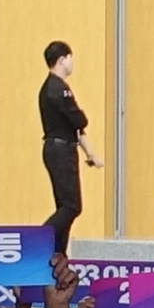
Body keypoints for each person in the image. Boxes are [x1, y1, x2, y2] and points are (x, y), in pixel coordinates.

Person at [40, 40, 91, 252]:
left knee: (65, 208)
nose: (73, 63)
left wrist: (90, 152)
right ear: (62, 60)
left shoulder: (50, 87)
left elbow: (76, 128)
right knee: (72, 206)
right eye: (71, 58)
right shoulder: (58, 89)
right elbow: (78, 120)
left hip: (58, 148)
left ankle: (58, 256)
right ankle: (36, 244)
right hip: (61, 151)